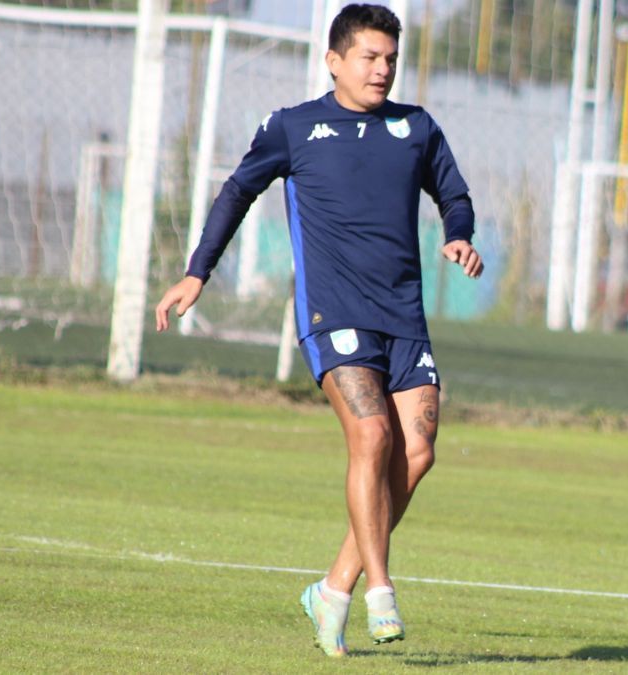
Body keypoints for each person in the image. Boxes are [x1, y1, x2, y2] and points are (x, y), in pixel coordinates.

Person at [153, 3, 482, 659]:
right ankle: (379, 590)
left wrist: (460, 234)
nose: (382, 68)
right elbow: (236, 191)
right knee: (372, 433)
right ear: (333, 61)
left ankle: (331, 590)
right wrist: (198, 272)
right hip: (333, 314)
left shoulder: (416, 129)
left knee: (416, 455)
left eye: (390, 57)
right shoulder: (294, 127)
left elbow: (455, 194)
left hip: (403, 317)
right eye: (369, 56)